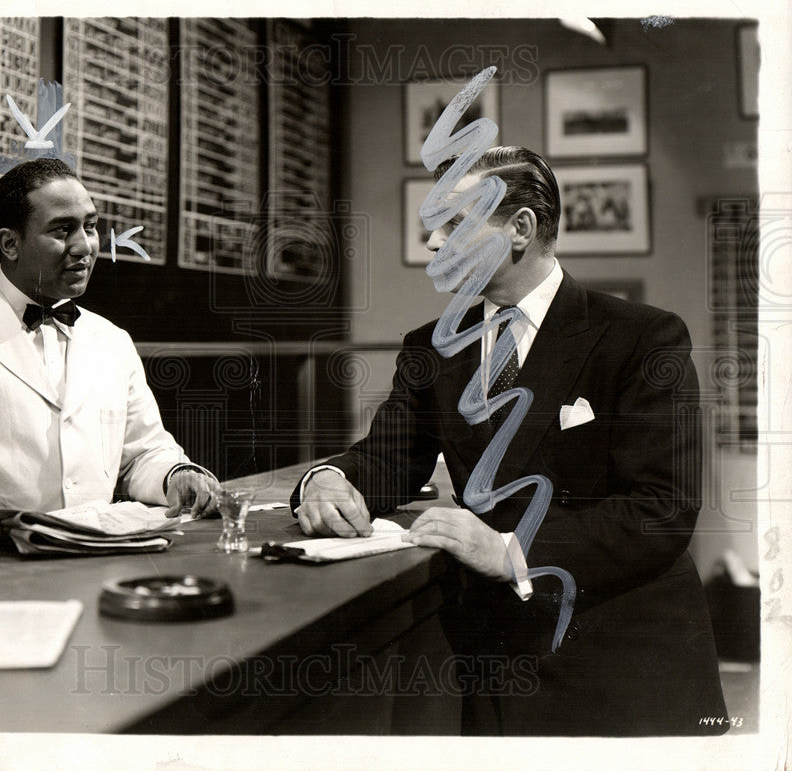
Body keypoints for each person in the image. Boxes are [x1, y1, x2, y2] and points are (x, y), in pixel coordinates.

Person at [291, 146, 727, 736]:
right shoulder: (431, 346)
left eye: (452, 225)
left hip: (619, 659)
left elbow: (661, 510)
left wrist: (509, 551)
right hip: (494, 662)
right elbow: (388, 459)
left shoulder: (643, 337)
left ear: (519, 229)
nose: (433, 245)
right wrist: (328, 480)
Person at [0, 158, 218, 557]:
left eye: (90, 225)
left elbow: (143, 451)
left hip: (91, 568)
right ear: (10, 243)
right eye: (62, 229)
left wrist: (176, 474)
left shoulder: (112, 340)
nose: (84, 246)